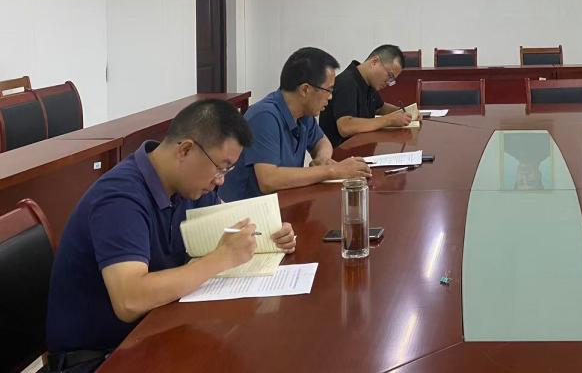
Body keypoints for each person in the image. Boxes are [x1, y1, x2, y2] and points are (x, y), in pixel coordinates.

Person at [46, 99, 298, 371]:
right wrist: (221, 258)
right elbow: (129, 300)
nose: (220, 180)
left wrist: (270, 233)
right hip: (98, 359)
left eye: (228, 170)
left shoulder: (189, 186)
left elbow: (233, 224)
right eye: (220, 167)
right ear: (185, 150)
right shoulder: (120, 198)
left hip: (150, 334)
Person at [219, 47, 370, 201]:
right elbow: (269, 180)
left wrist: (322, 159)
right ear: (305, 90)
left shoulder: (304, 114)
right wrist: (332, 171)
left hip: (282, 200)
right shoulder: (264, 116)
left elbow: (322, 142)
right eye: (328, 90)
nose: (330, 97)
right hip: (247, 208)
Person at [319, 45, 412, 146]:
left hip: (362, 146)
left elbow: (380, 108)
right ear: (374, 62)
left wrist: (405, 113)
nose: (389, 83)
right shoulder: (346, 83)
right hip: (341, 152)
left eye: (392, 80)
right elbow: (346, 127)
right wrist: (389, 120)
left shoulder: (368, 82)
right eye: (390, 76)